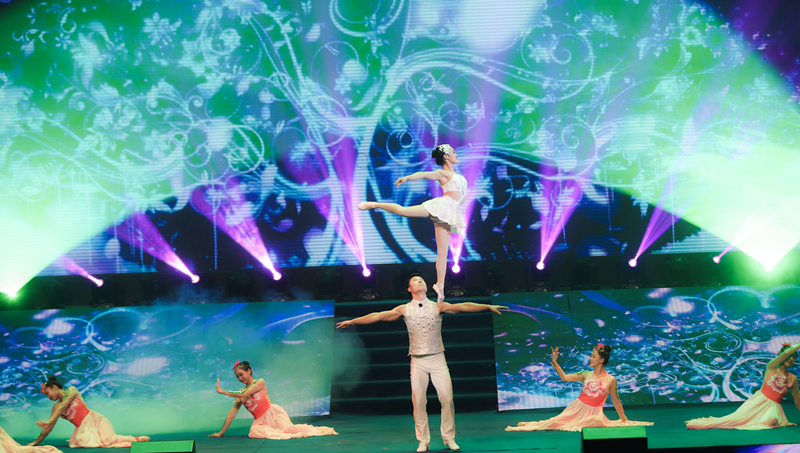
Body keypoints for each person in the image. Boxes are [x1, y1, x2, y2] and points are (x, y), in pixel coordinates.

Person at [337, 274, 507, 452]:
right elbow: (378, 315)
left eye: (422, 280)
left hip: (437, 359)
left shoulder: (438, 306)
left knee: (447, 399)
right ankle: (423, 440)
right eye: (415, 280)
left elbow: (463, 306)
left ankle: (449, 437)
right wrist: (354, 321)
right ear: (409, 289)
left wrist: (487, 306)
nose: (420, 281)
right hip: (417, 361)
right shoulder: (404, 309)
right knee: (419, 402)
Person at [358, 144, 467, 303]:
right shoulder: (443, 173)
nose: (456, 155)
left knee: (442, 252)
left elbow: (462, 196)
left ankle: (440, 287)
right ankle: (373, 204)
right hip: (442, 206)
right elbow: (423, 174)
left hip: (451, 211)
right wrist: (407, 178)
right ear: (446, 156)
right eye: (453, 152)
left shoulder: (459, 176)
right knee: (403, 211)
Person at [506, 345, 654, 432]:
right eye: (591, 356)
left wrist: (624, 420)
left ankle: (537, 424)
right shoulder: (585, 374)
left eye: (594, 357)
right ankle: (533, 424)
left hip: (595, 412)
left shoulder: (611, 380)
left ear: (602, 360)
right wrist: (555, 363)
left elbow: (616, 401)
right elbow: (565, 378)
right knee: (555, 423)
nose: (590, 358)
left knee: (594, 421)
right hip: (577, 407)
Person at [209, 360, 337, 439]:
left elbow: (245, 393)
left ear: (249, 371)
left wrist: (223, 392)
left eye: (241, 375)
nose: (240, 378)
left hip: (273, 414)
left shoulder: (259, 382)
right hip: (260, 421)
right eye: (237, 377)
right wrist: (221, 433)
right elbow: (232, 414)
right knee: (254, 432)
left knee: (288, 430)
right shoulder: (240, 393)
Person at [686, 342, 800, 430]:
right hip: (759, 401)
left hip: (774, 407)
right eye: (790, 356)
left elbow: (797, 400)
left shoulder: (792, 378)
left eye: (794, 357)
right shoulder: (772, 367)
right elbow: (786, 353)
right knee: (734, 420)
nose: (791, 359)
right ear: (781, 356)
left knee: (772, 420)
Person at [30, 376, 150, 448]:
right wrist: (35, 442)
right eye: (46, 396)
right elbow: (48, 428)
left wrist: (50, 420)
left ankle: (137, 439)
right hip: (84, 428)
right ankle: (135, 440)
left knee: (108, 439)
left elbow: (64, 405)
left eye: (47, 393)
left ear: (54, 387)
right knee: (95, 442)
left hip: (97, 420)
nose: (48, 397)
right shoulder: (56, 407)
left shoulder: (72, 390)